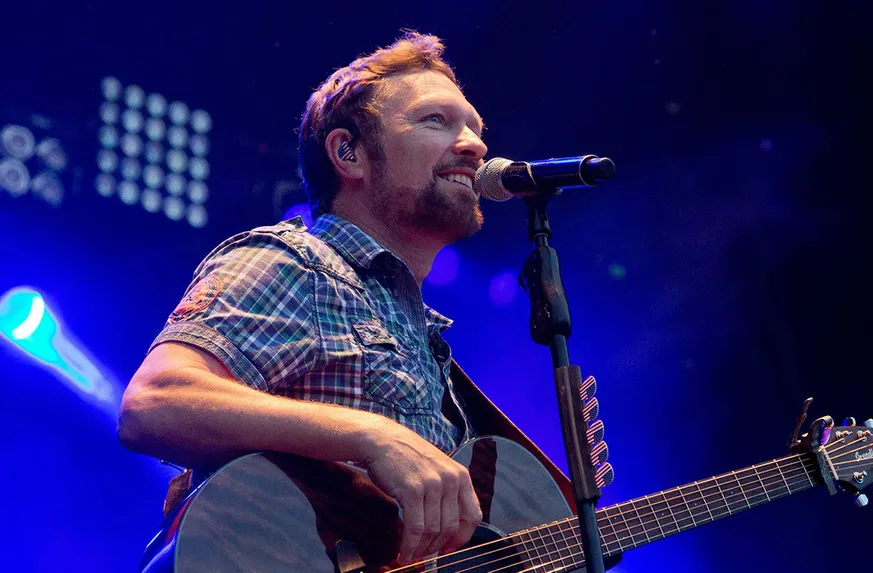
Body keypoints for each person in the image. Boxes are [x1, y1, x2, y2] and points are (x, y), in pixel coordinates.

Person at [117, 31, 571, 567]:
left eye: (475, 127)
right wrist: (371, 435)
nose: (474, 144)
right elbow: (155, 405)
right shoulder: (296, 263)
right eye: (436, 121)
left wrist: (571, 521)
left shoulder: (419, 332)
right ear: (348, 153)